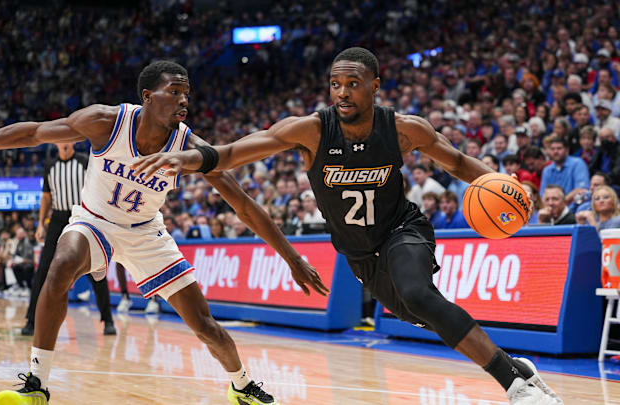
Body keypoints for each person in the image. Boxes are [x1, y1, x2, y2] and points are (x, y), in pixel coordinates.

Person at [132, 47, 562, 405]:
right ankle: (517, 366)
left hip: (401, 230)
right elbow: (233, 153)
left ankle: (516, 385)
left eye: (353, 84)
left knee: (418, 293)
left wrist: (508, 189)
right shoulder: (312, 131)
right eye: (336, 84)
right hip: (359, 253)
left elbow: (459, 163)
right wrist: (188, 159)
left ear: (375, 86)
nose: (342, 92)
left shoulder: (404, 129)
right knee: (418, 312)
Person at [0, 60, 327, 405]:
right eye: (174, 91)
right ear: (148, 96)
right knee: (59, 268)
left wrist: (292, 258)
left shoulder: (190, 146)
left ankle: (241, 384)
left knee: (204, 324)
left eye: (187, 92)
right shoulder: (106, 122)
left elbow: (243, 204)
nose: (184, 99)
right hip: (93, 220)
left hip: (146, 232)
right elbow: (33, 132)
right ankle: (36, 384)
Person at [22, 141, 117, 337]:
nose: (64, 143)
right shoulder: (50, 165)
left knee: (95, 267)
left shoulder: (84, 162)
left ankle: (108, 320)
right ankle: (31, 320)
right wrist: (41, 223)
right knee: (44, 270)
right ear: (55, 143)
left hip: (81, 217)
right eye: (60, 140)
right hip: (57, 218)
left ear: (73, 141)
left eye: (67, 139)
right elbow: (46, 197)